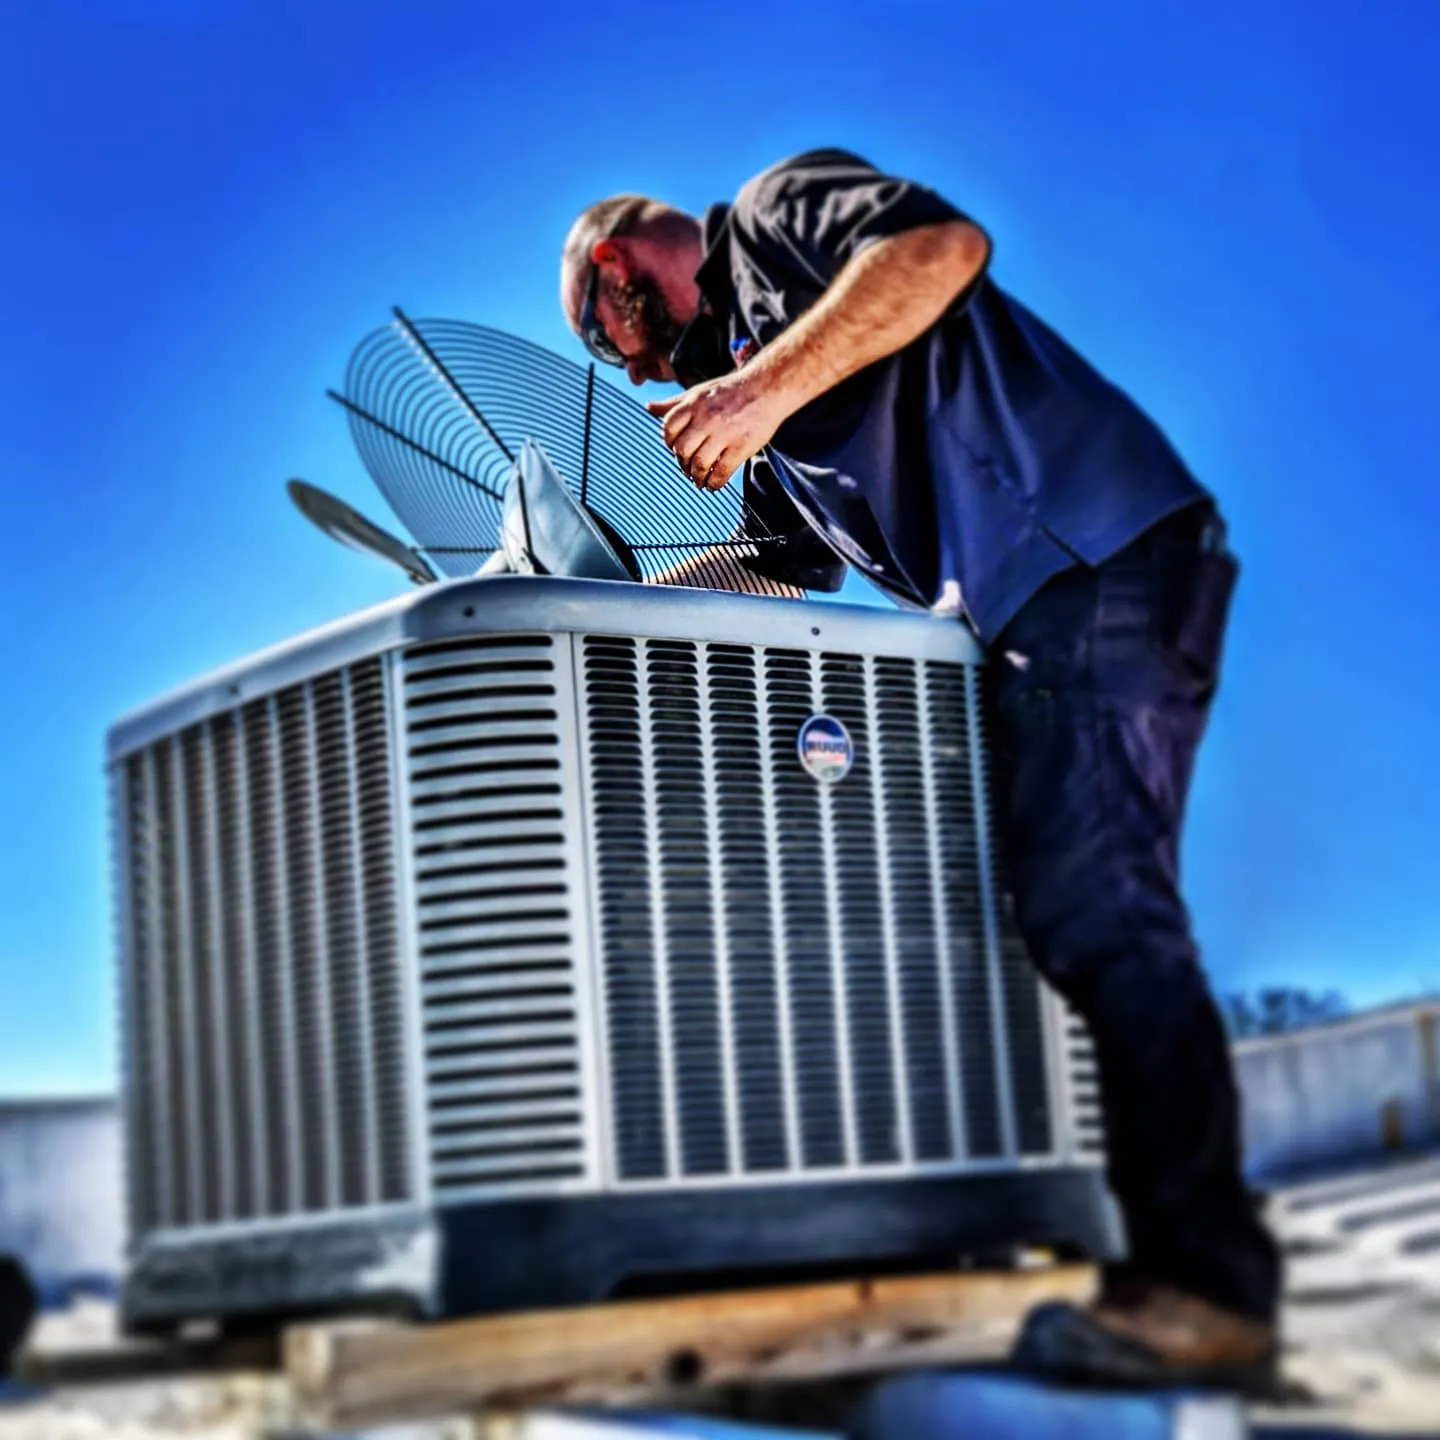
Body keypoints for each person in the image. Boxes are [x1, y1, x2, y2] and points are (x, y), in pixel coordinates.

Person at [558, 148, 1282, 1392]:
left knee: (1100, 903)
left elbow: (938, 251)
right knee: (1023, 913)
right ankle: (1066, 1230)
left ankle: (1205, 1285)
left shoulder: (778, 216)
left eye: (601, 333)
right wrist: (602, 597)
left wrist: (756, 393)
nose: (626, 371)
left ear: (619, 267)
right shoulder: (769, 418)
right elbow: (778, 566)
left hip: (1094, 560)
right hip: (1032, 611)